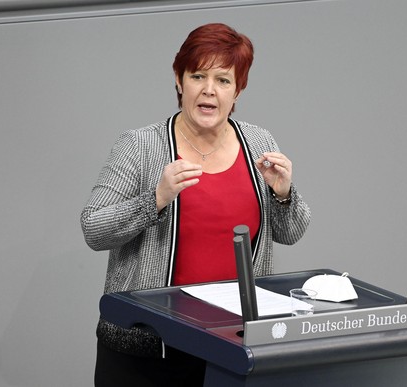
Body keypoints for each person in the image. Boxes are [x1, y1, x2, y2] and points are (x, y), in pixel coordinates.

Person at [81, 22, 311, 386]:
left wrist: (284, 194)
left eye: (223, 80)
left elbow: (291, 232)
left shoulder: (257, 141)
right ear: (178, 79)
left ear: (238, 89)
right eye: (197, 75)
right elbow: (94, 228)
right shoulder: (140, 146)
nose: (209, 90)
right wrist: (154, 199)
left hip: (231, 346)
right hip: (147, 347)